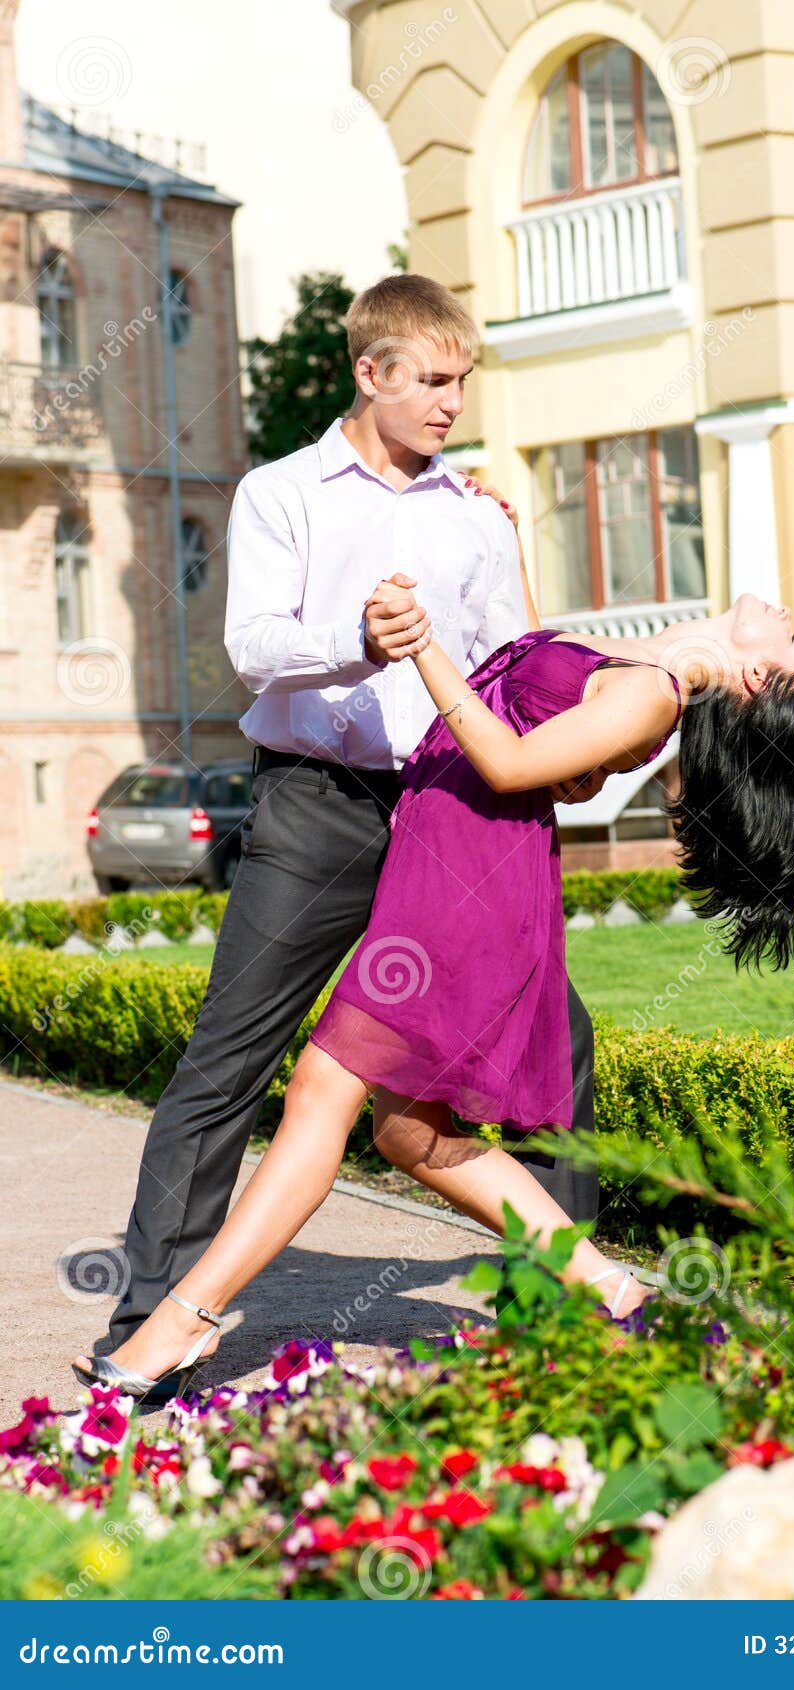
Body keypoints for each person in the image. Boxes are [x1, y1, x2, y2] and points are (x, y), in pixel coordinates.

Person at [74, 588, 794, 1400]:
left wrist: (421, 645)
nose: (791, 619)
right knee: (410, 1134)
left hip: (465, 896)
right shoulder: (642, 665)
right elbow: (537, 665)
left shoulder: (654, 694)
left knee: (319, 1093)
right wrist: (506, 539)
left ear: (757, 679)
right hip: (440, 877)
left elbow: (507, 762)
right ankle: (615, 1293)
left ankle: (185, 1319)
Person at [95, 273, 603, 1406]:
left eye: (463, 381)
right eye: (432, 380)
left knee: (554, 1042)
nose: (452, 402)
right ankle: (150, 1330)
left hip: (450, 813)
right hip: (317, 807)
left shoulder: (474, 512)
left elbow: (512, 665)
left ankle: (571, 1310)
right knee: (227, 1061)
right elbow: (252, 648)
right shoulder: (281, 493)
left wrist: (583, 736)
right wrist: (357, 639)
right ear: (370, 373)